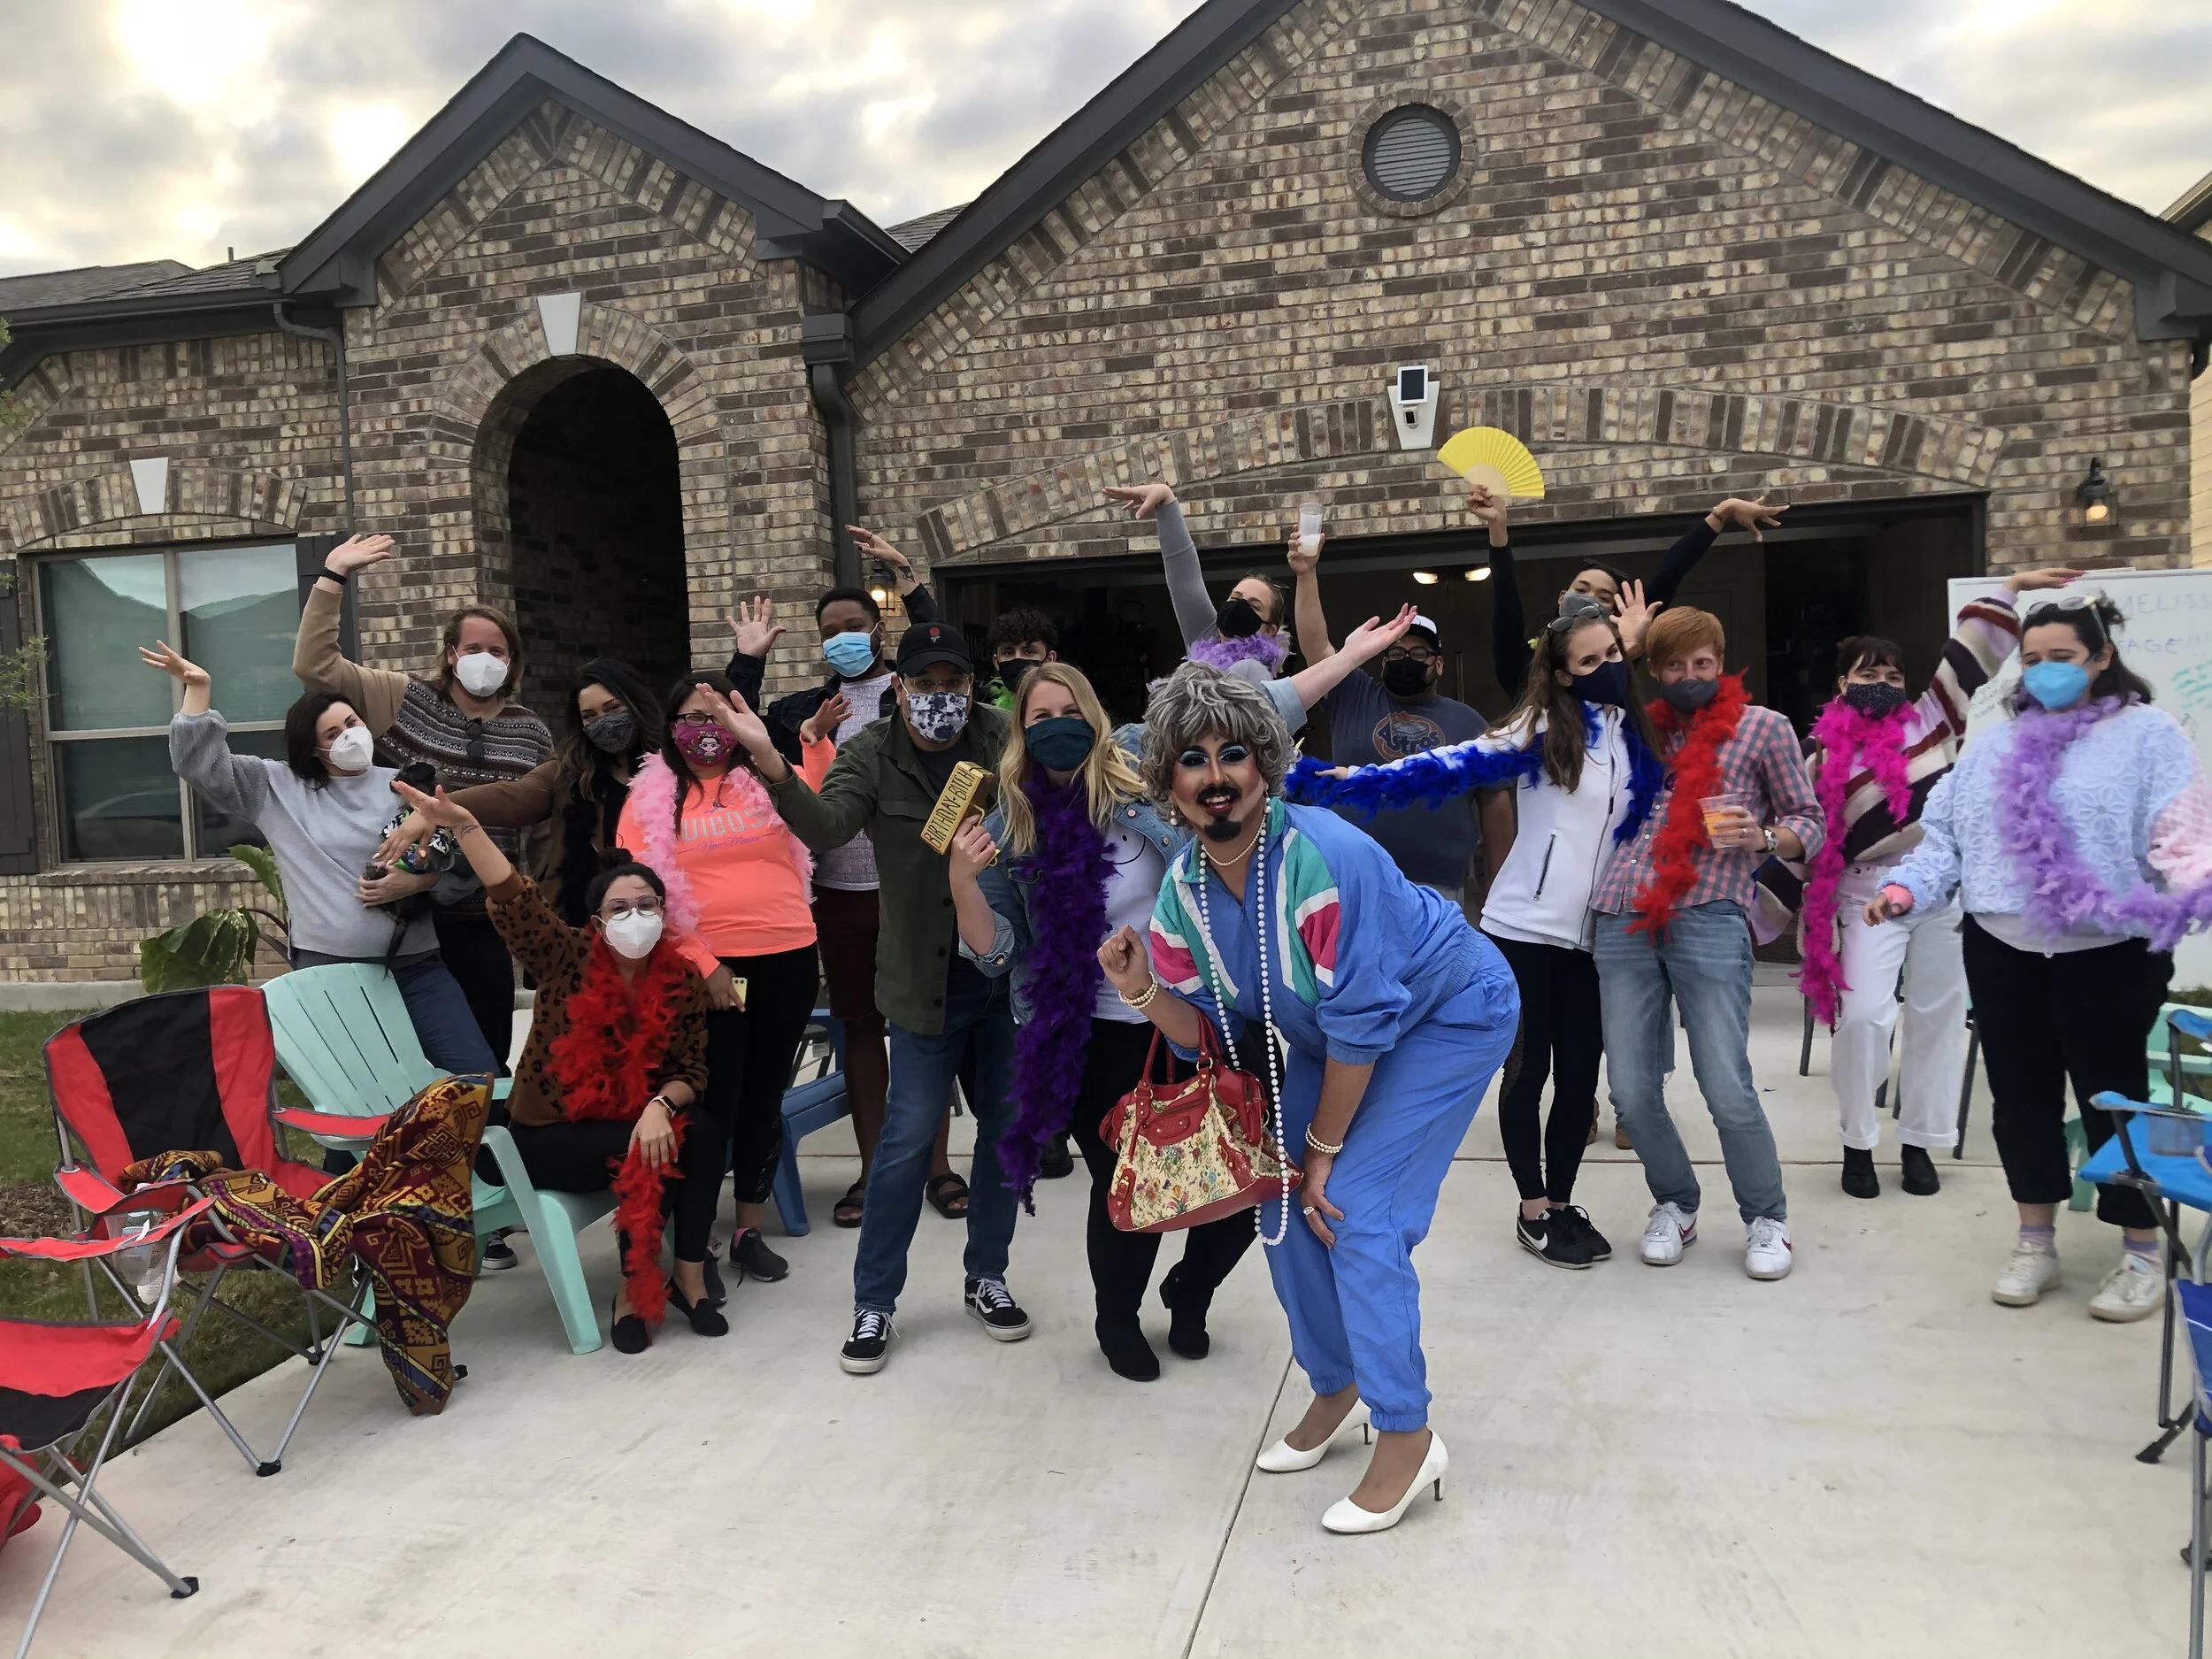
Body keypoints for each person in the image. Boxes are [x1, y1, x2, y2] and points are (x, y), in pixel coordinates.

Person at [1096, 664, 1521, 1535]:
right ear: (1169, 783)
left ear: (1267, 765)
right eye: (1192, 758)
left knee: (1355, 1210)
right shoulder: (1185, 888)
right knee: (1278, 1200)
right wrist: (1141, 989)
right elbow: (1197, 1032)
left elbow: (1365, 1026)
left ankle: (1406, 1434)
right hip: (1341, 1042)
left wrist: (1323, 1148)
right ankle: (1336, 1386)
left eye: (1235, 752)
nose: (1216, 774)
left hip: (1450, 1015)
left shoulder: (1327, 856)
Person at [1288, 595, 1667, 1268]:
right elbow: (1447, 764)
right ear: (1563, 674)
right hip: (1523, 929)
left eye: (1612, 655)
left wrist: (1627, 640)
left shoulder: (1627, 729)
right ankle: (1533, 1209)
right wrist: (1348, 779)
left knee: (1581, 1079)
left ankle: (1562, 1200)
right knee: (1529, 1070)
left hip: (1597, 936)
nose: (1606, 666)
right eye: (1590, 660)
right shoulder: (1539, 728)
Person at [1870, 593, 2212, 1322]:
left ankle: (2141, 1250)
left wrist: (2196, 889)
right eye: (2033, 659)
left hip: (2109, 951)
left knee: (2113, 1100)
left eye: (2063, 657)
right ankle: (2036, 1242)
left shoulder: (2148, 734)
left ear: (2101, 657)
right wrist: (1904, 889)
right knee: (2020, 1098)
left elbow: (2182, 834)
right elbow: (1947, 841)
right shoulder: (1993, 744)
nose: (2047, 671)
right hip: (2004, 947)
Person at [732, 619, 1034, 1372]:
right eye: (924, 684)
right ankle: (875, 1301)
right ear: (898, 688)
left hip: (1005, 974)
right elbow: (828, 827)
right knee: (904, 1145)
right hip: (924, 982)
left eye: (952, 683)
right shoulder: (870, 751)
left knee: (1003, 1136)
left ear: (971, 685)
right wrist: (773, 762)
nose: (940, 698)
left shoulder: (1003, 738)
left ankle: (986, 1277)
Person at [947, 662, 1256, 1381]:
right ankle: (1116, 1315)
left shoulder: (1149, 787)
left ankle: (1191, 1291)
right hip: (1089, 1031)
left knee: (1239, 1176)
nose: (1056, 725)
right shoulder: (1008, 825)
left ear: (1092, 713)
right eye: (1037, 716)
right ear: (1021, 732)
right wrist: (962, 880)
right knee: (1128, 1181)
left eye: (1068, 709)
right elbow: (995, 954)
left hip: (1197, 1010)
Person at [1757, 568, 2080, 1199]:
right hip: (1863, 893)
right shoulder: (1817, 754)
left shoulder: (1935, 717)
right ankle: (1857, 1140)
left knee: (1937, 1016)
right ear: (1841, 684)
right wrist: (1765, 906)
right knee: (1864, 1018)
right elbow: (1806, 833)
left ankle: (1919, 1142)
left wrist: (2010, 588)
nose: (1882, 685)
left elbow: (1968, 654)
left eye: (1892, 676)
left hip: (1940, 888)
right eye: (1867, 675)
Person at [388, 779, 725, 1353]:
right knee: (651, 1144)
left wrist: (659, 1104)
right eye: (620, 908)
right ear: (596, 922)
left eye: (647, 906)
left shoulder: (680, 978)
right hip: (548, 1138)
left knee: (701, 1130)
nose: (635, 916)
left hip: (629, 1124)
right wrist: (465, 826)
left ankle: (687, 1276)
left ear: (664, 914)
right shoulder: (565, 956)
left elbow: (691, 1068)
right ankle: (633, 1287)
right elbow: (514, 898)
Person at [723, 534, 970, 1227]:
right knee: (861, 1027)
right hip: (839, 895)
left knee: (925, 1028)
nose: (842, 640)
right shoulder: (802, 706)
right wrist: (751, 659)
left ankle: (938, 1165)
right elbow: (732, 729)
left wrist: (909, 576)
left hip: (914, 893)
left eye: (855, 628)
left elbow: (942, 646)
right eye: (829, 633)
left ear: (879, 630)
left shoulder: (918, 698)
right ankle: (871, 1169)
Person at [1589, 607, 1823, 1281]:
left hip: (1711, 912)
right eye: (1674, 665)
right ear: (1656, 670)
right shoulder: (1635, 730)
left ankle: (1767, 1216)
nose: (1690, 675)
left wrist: (1766, 838)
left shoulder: (1764, 729)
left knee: (1725, 1082)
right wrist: (1623, 646)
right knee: (1631, 1090)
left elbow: (1809, 818)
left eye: (1702, 663)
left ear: (1720, 662)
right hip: (1622, 912)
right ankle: (1676, 1201)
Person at [147, 640, 495, 1079]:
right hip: (331, 972)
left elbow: (460, 857)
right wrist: (198, 690)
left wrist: (420, 883)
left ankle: (471, 1151)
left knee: (476, 1077)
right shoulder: (276, 788)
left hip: (417, 965)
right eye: (333, 734)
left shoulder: (407, 785)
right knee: (361, 1094)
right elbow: (202, 767)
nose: (349, 734)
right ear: (313, 750)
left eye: (351, 722)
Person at [296, 534, 553, 1072]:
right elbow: (316, 666)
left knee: (482, 1066)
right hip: (406, 918)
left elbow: (542, 829)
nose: (485, 659)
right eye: (473, 648)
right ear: (451, 653)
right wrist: (334, 577)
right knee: (398, 1067)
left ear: (513, 661)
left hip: (485, 920)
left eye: (498, 651)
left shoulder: (531, 732)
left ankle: (477, 1155)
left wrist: (540, 923)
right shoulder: (402, 698)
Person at [616, 672, 835, 1288]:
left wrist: (814, 741)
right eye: (691, 716)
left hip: (789, 955)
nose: (704, 730)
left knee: (765, 1095)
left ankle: (747, 1230)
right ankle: (696, 1241)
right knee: (715, 1101)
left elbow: (821, 805)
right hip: (713, 970)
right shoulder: (651, 801)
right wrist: (706, 963)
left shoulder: (764, 778)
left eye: (715, 716)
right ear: (670, 725)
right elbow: (645, 895)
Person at [1104, 481, 1417, 735]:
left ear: (1269, 629)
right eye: (1235, 597)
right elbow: (1184, 581)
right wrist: (1167, 503)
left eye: (1252, 605)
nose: (1238, 606)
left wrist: (1350, 654)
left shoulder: (1257, 674)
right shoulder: (1207, 639)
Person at [376, 657, 665, 927]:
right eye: (589, 716)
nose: (603, 722)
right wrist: (441, 810)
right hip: (584, 927)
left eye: (613, 709)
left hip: (662, 916)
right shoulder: (570, 770)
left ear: (635, 703)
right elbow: (515, 797)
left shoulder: (676, 770)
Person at [1286, 525, 1490, 902]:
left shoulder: (1470, 721)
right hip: (1352, 882)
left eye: (1418, 654)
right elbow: (1317, 648)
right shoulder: (1354, 693)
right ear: (1382, 662)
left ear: (1440, 664)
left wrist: (1495, 880)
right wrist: (1306, 573)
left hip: (1440, 892)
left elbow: (1493, 804)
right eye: (1396, 653)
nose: (1405, 660)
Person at [1483, 490, 1785, 698]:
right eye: (1581, 590)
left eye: (1603, 598)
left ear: (1616, 614)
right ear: (1562, 597)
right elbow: (1506, 603)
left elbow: (1668, 575)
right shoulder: (1521, 665)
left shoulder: (1621, 657)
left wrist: (1721, 514)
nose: (1588, 600)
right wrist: (1498, 528)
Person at [983, 608, 1060, 710]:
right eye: (1008, 652)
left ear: (1049, 659)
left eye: (1028, 652)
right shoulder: (984, 707)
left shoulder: (1067, 706)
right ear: (996, 662)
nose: (1017, 658)